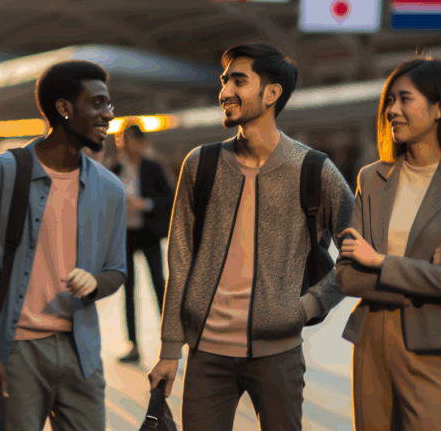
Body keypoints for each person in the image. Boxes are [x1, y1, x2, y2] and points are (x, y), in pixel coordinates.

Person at [148, 43, 355, 431]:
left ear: (272, 93)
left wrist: (307, 306)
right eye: (224, 82)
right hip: (206, 355)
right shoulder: (201, 164)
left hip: (279, 356)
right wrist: (169, 350)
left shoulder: (314, 170)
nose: (225, 92)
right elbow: (180, 261)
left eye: (238, 81)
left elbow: (359, 253)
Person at [337, 57, 441, 431]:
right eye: (389, 100)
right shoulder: (373, 178)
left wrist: (379, 262)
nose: (392, 110)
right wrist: (426, 267)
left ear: (439, 107)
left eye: (405, 99)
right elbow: (346, 277)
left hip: (434, 345)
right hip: (371, 342)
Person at [0, 60, 127, 431]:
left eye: (110, 105)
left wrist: (96, 282)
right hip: (19, 351)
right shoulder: (5, 171)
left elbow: (117, 269)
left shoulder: (109, 189)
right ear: (64, 108)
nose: (108, 115)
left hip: (82, 352)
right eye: (97, 104)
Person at [110, 125, 172, 364]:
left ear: (139, 141)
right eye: (119, 140)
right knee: (128, 290)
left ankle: (169, 342)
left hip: (148, 232)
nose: (122, 145)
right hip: (125, 234)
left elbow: (167, 198)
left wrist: (145, 204)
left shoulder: (152, 167)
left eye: (126, 140)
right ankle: (133, 345)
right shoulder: (115, 168)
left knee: (158, 284)